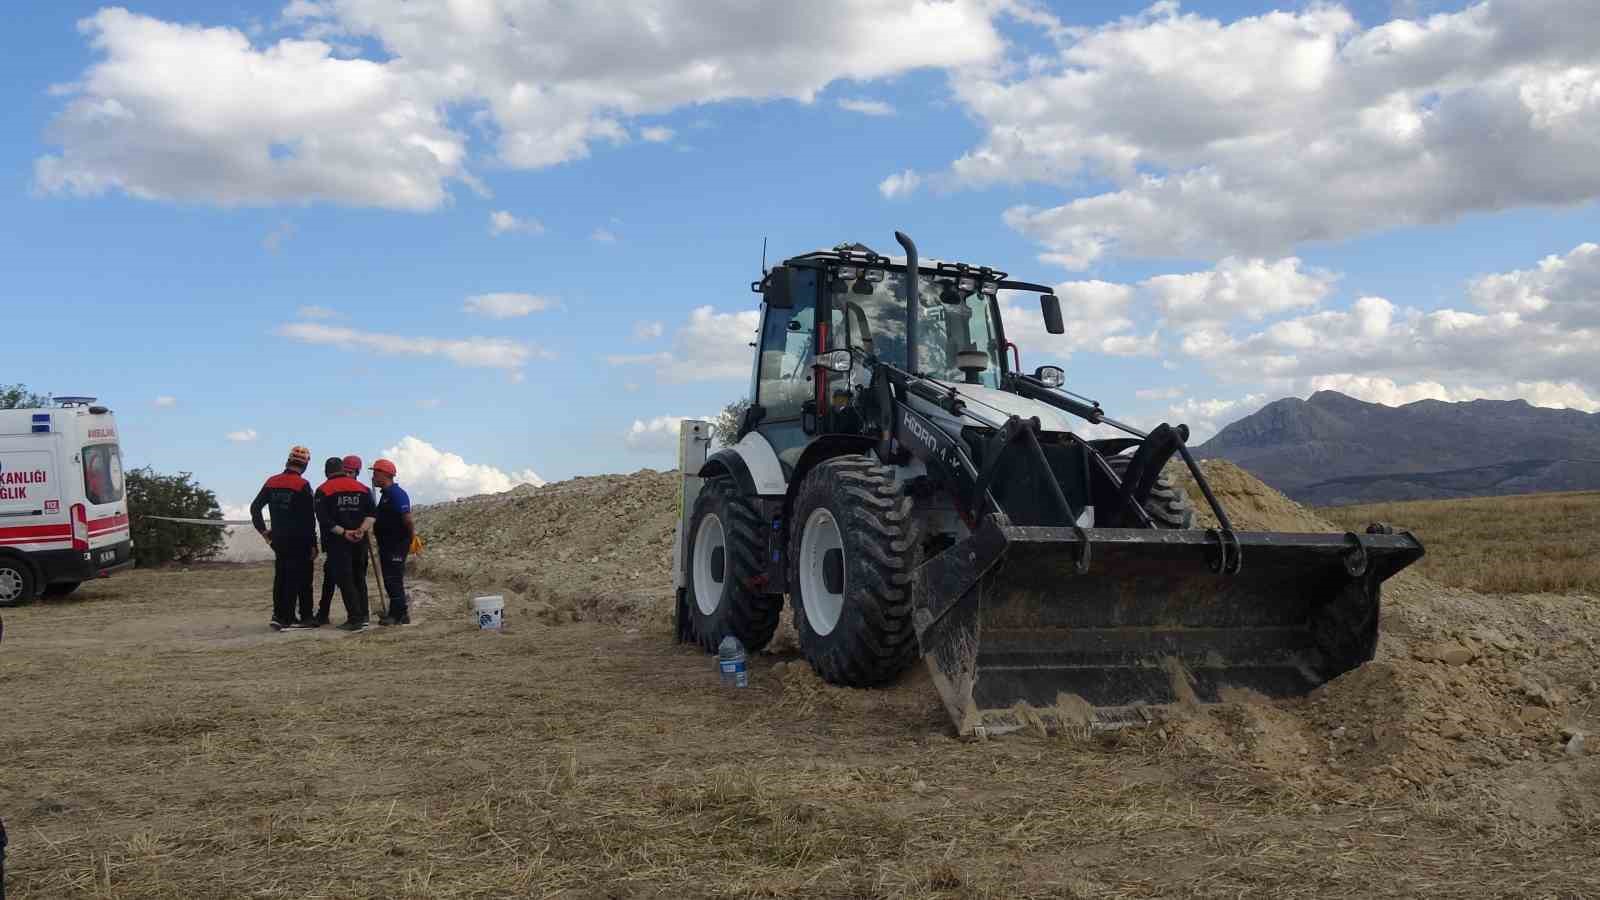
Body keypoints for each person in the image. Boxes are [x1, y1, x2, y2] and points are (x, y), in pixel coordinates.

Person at [250, 445, 318, 630]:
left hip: (278, 538)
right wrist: (313, 543)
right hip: (299, 539)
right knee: (300, 578)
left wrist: (265, 532)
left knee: (281, 576)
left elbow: (255, 508)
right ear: (305, 466)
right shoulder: (302, 485)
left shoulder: (272, 482)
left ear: (288, 461)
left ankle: (278, 615)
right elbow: (308, 518)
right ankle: (294, 618)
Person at [316, 456, 377, 631]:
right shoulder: (363, 489)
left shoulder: (323, 490)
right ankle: (363, 615)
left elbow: (323, 519)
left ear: (327, 472)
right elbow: (372, 514)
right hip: (360, 541)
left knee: (345, 579)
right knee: (359, 578)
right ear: (343, 469)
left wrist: (344, 532)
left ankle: (355, 618)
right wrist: (361, 530)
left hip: (337, 543)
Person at [370, 458, 414, 626]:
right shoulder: (386, 495)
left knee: (393, 579)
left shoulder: (397, 494)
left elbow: (407, 519)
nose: (373, 477)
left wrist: (410, 537)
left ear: (385, 474)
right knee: (390, 579)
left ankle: (400, 615)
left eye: (375, 473)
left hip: (396, 544)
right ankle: (395, 613)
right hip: (387, 545)